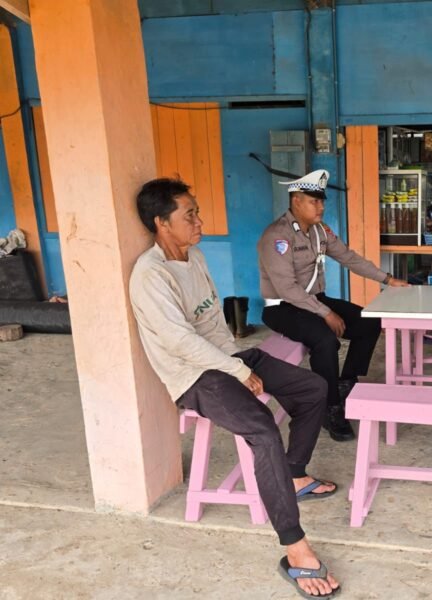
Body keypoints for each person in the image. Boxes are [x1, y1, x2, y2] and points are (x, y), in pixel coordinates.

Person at [129, 178, 340, 599]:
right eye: (189, 215)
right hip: (193, 376)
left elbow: (211, 326)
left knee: (314, 388)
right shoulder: (150, 275)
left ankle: (293, 474)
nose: (199, 221)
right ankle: (295, 549)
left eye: (196, 211)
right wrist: (235, 370)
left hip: (228, 357)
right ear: (161, 223)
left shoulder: (196, 257)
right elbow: (179, 342)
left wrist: (238, 361)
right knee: (262, 429)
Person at [258, 169, 409, 442]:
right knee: (326, 340)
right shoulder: (277, 237)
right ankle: (330, 408)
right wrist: (325, 313)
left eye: (321, 200)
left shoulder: (320, 232)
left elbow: (349, 258)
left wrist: (387, 279)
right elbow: (287, 288)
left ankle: (345, 383)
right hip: (282, 307)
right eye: (313, 201)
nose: (321, 206)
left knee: (369, 321)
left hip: (315, 300)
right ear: (296, 202)